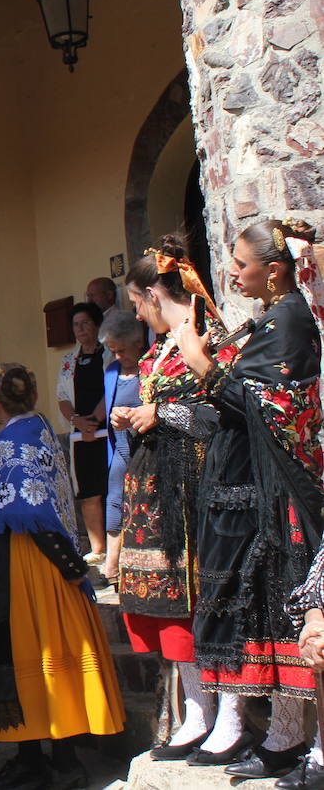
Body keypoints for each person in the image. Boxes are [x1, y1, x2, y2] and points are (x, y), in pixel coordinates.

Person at [181, 219, 324, 781]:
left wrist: (202, 364)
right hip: (247, 487)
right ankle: (281, 732)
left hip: (277, 493)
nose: (233, 273)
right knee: (263, 603)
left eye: (241, 264)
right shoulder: (272, 318)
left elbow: (273, 407)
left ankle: (292, 734)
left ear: (276, 268)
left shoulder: (289, 320)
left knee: (282, 602)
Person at [0, 364, 125, 789]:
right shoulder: (44, 434)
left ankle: (33, 755)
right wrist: (71, 564)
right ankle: (63, 757)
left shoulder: (3, 444)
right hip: (49, 558)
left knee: (24, 652)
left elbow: (21, 509)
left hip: (20, 562)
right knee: (56, 651)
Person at [110, 234, 240, 764]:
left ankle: (228, 716)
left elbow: (225, 414)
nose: (138, 317)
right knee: (166, 609)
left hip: (198, 492)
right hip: (159, 491)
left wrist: (160, 415)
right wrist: (137, 417)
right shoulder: (164, 346)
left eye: (137, 305)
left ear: (151, 295)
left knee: (209, 605)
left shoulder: (206, 336)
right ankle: (198, 712)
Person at [55, 302, 111, 568]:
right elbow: (62, 397)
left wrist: (96, 420)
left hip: (109, 432)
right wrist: (77, 421)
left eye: (85, 323)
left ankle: (118, 546)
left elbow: (113, 387)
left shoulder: (110, 354)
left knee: (112, 489)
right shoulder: (69, 361)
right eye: (76, 325)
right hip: (80, 436)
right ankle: (98, 548)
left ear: (97, 324)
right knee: (88, 492)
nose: (80, 329)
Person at [97, 310, 144, 584]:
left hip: (143, 448)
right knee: (114, 500)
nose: (117, 357)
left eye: (121, 350)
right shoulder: (113, 370)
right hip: (120, 448)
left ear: (138, 342)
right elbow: (108, 403)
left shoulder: (151, 368)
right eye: (112, 350)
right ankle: (112, 566)